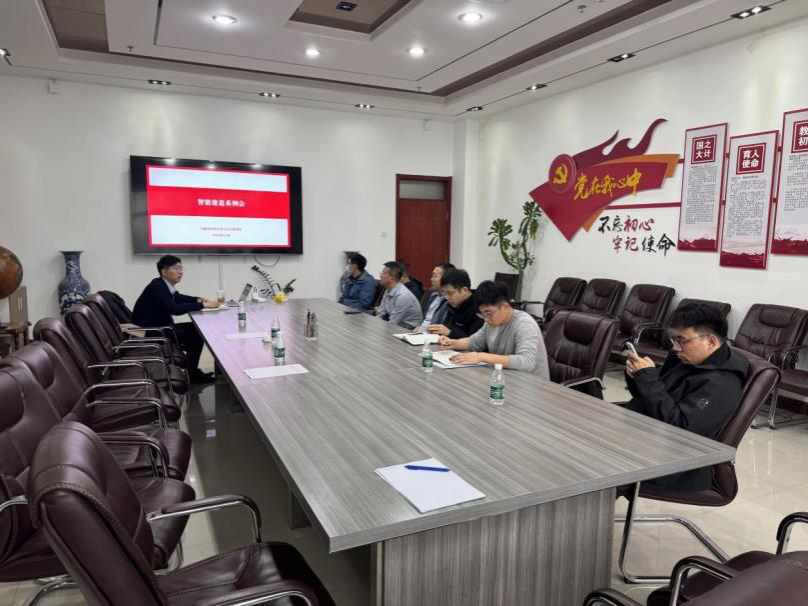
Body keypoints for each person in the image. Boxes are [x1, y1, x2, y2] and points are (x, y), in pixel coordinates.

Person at [624, 302, 749, 491]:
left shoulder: (722, 383)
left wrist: (648, 379)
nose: (675, 347)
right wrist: (637, 377)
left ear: (710, 341)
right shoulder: (685, 358)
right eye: (674, 340)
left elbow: (679, 428)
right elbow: (654, 401)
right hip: (645, 437)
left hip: (673, 464)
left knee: (589, 459)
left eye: (681, 340)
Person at [132, 255, 219, 383]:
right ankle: (192, 374)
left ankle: (192, 371)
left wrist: (198, 299)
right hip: (152, 331)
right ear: (164, 272)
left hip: (160, 327)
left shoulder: (162, 284)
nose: (180, 272)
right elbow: (175, 309)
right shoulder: (157, 287)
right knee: (196, 333)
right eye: (176, 268)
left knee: (196, 329)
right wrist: (203, 305)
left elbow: (178, 297)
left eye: (181, 268)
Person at [438, 280, 549, 379]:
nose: (485, 319)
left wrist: (481, 356)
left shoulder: (524, 324)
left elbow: (527, 362)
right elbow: (473, 342)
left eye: (489, 313)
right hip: (507, 379)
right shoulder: (491, 322)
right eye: (482, 314)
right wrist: (452, 343)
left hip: (532, 384)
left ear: (505, 306)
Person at [427, 268, 483, 339]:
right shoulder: (452, 305)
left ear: (464, 290)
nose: (447, 298)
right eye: (445, 293)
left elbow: (475, 341)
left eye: (450, 293)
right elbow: (447, 328)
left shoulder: (479, 308)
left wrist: (450, 333)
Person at [377, 261, 423, 329]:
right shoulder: (388, 290)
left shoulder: (403, 295)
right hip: (397, 325)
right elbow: (380, 313)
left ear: (391, 278)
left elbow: (393, 323)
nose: (380, 276)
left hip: (409, 328)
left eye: (383, 273)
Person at [418, 262, 454, 332]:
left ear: (446, 278)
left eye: (435, 276)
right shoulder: (432, 296)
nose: (431, 279)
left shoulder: (450, 301)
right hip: (419, 333)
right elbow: (425, 319)